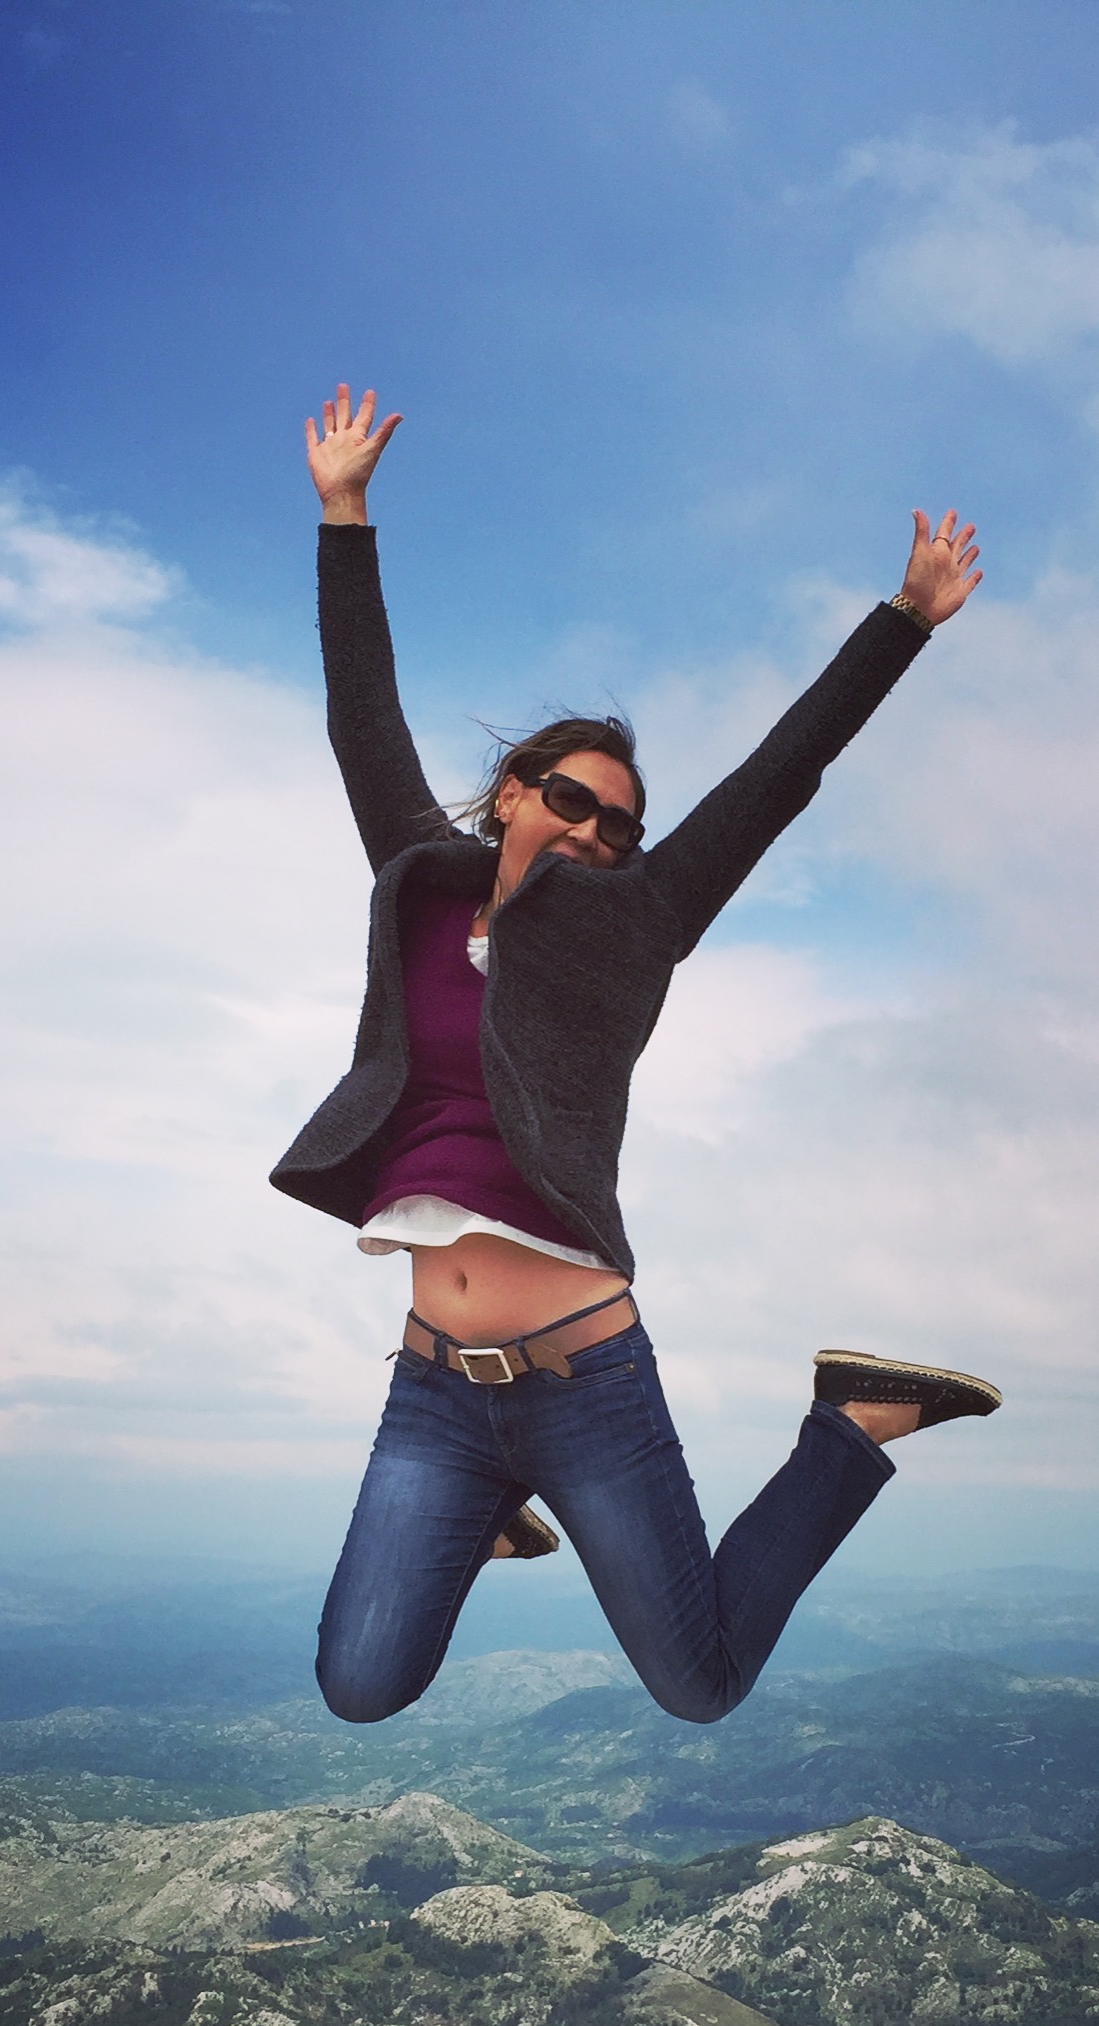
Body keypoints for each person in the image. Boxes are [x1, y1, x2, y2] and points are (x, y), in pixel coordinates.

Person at [275, 384, 1000, 1727]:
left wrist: (901, 619)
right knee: (359, 1684)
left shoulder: (639, 923)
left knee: (698, 1682)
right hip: (436, 1381)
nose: (599, 833)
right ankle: (485, 1514)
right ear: (509, 795)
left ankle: (852, 1426)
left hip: (585, 1381)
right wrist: (343, 511)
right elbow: (359, 717)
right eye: (571, 801)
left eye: (620, 823)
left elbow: (780, 773)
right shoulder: (420, 882)